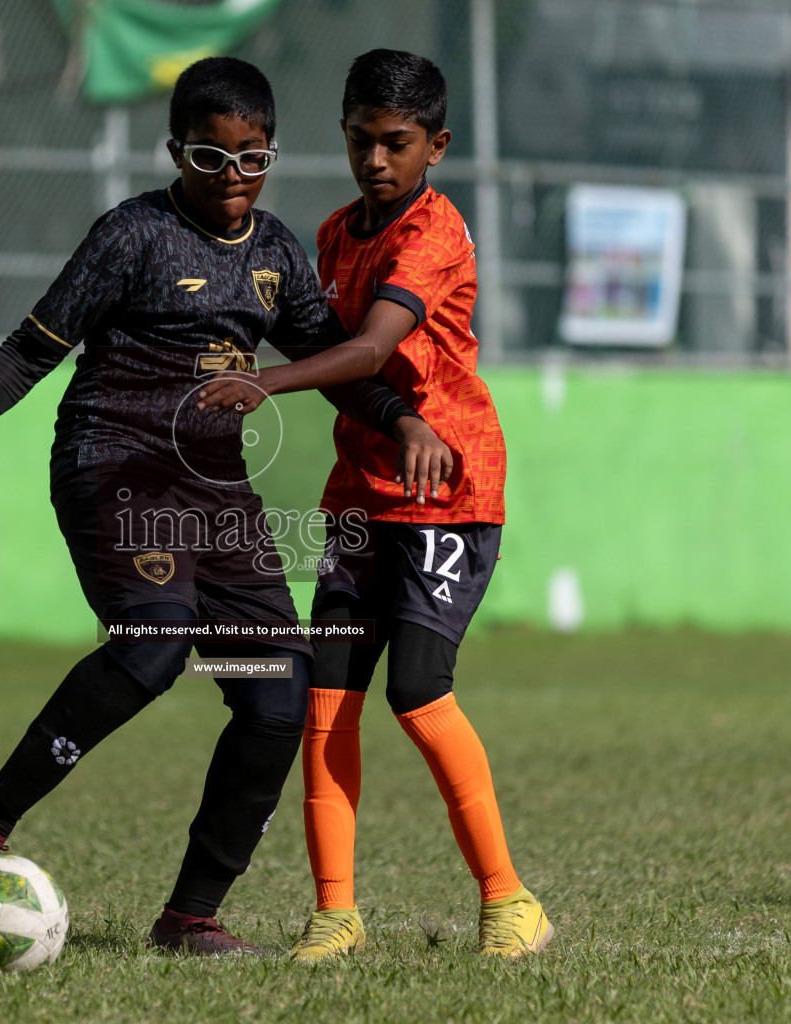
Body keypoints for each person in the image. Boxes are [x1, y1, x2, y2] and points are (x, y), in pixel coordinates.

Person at [0, 56, 449, 955]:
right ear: (175, 153)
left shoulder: (274, 254)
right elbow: (33, 348)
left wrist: (406, 420)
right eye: (209, 158)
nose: (231, 179)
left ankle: (190, 918)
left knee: (276, 695)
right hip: (114, 466)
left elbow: (332, 358)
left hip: (215, 497)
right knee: (152, 647)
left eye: (251, 159)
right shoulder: (131, 235)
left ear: (271, 154)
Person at [207, 49, 554, 961]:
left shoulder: (433, 234)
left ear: (435, 145)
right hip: (361, 495)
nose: (376, 161)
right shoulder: (331, 235)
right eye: (361, 141)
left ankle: (510, 900)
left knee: (416, 689)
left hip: (449, 491)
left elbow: (366, 353)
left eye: (396, 143)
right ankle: (335, 915)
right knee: (326, 702)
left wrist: (264, 383)